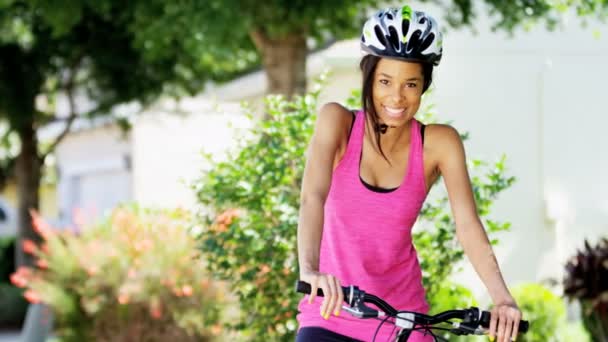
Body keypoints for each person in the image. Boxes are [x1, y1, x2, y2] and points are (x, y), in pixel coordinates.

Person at [296, 5, 522, 342]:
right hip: (331, 314)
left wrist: (502, 298)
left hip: (402, 321)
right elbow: (312, 197)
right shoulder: (337, 123)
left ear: (424, 85)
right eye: (385, 81)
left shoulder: (439, 143)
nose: (397, 97)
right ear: (369, 76)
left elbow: (467, 224)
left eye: (411, 84)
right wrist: (310, 270)